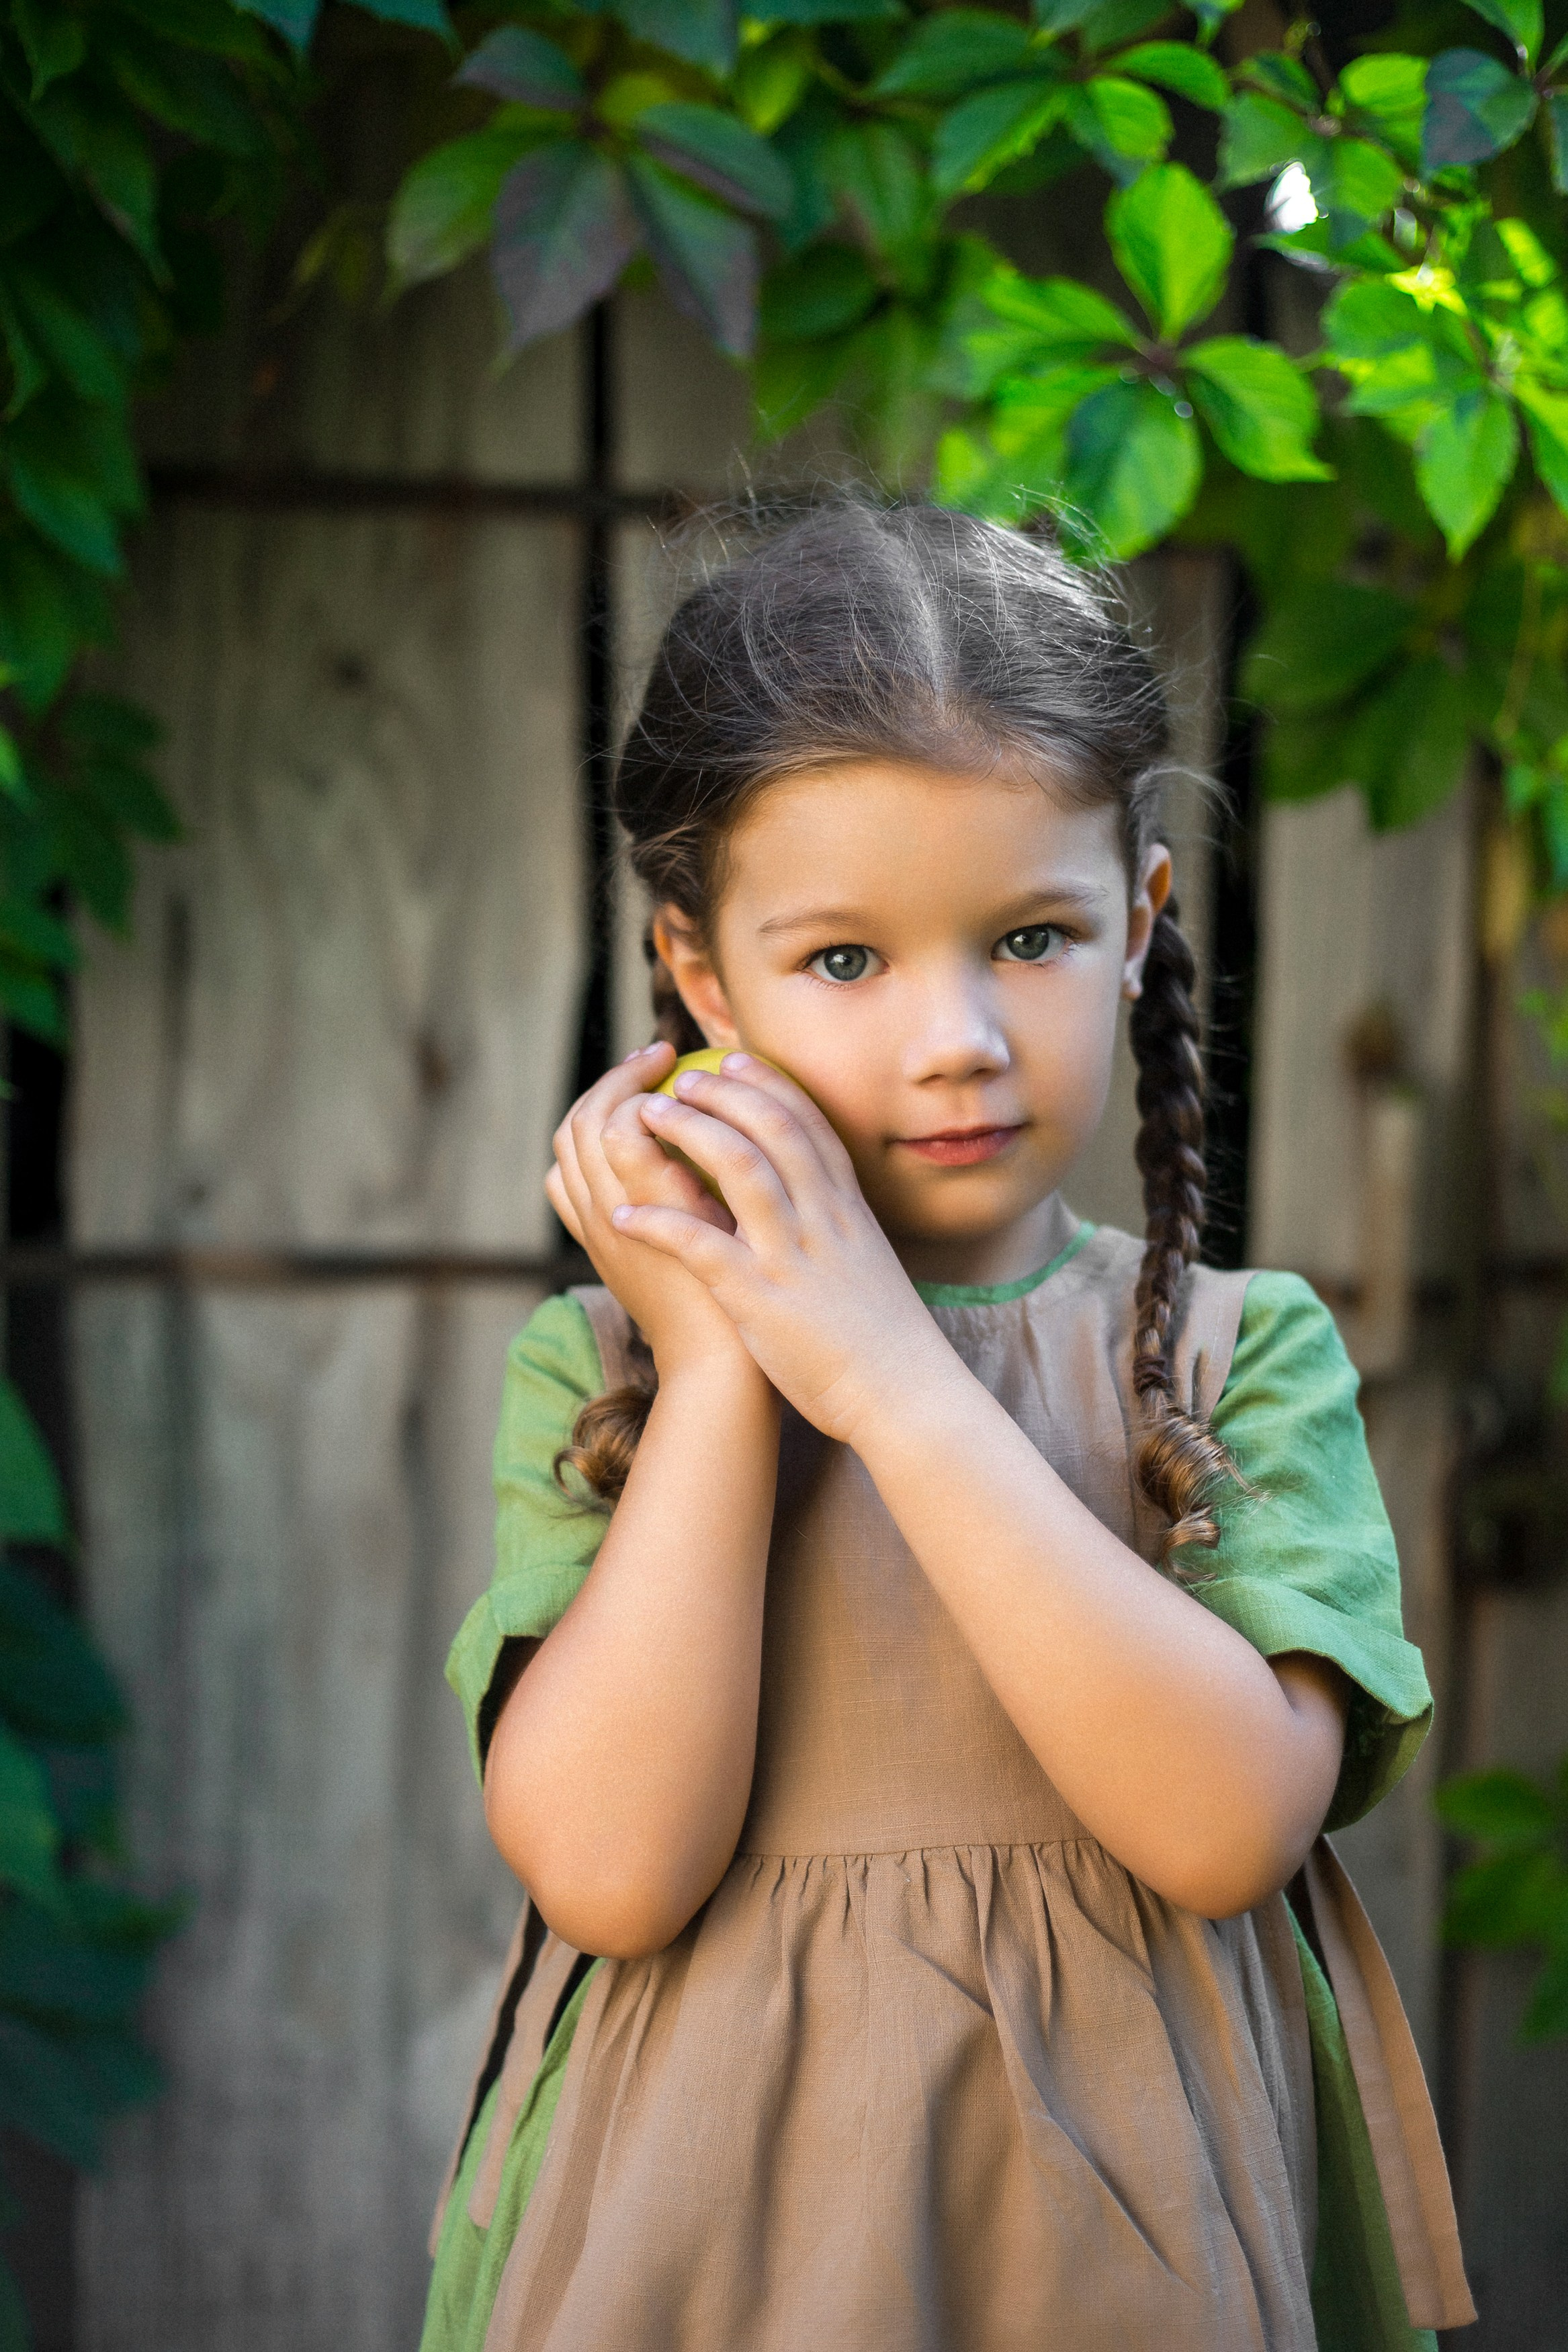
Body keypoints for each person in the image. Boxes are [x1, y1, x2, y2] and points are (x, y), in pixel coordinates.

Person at [422, 503, 1474, 2352]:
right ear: (697, 969)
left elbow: (1226, 1824)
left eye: (1030, 937)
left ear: (1142, 920)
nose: (959, 1036)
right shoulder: (614, 1373)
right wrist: (740, 1363)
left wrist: (891, 1382)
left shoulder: (1238, 1360)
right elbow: (606, 1864)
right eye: (845, 961)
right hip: (708, 2252)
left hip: (1119, 2261)